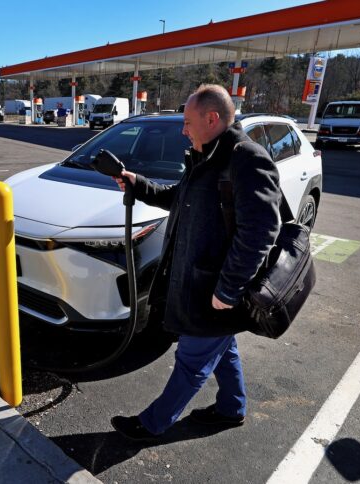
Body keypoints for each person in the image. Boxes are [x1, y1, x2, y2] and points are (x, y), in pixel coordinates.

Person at [109, 84, 282, 440]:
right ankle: (232, 408)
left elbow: (262, 229)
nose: (183, 130)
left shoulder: (245, 158)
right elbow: (179, 198)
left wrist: (229, 287)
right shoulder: (205, 155)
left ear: (212, 118)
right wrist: (137, 182)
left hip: (215, 289)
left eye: (188, 122)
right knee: (223, 346)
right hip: (198, 283)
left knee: (192, 360)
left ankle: (153, 423)